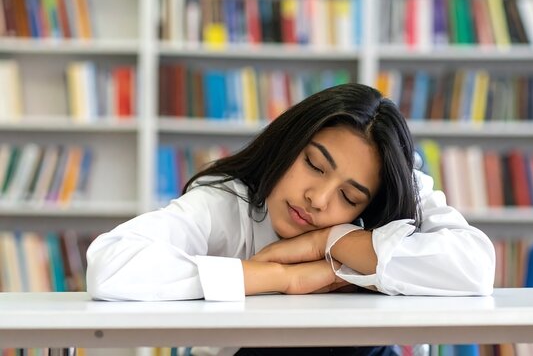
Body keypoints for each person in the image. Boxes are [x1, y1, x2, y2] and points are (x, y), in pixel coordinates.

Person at [86, 83, 495, 355]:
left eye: (349, 197)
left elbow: (474, 268)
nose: (317, 199)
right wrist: (280, 278)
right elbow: (111, 265)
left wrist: (327, 244)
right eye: (314, 165)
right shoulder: (228, 201)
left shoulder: (398, 189)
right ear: (290, 141)